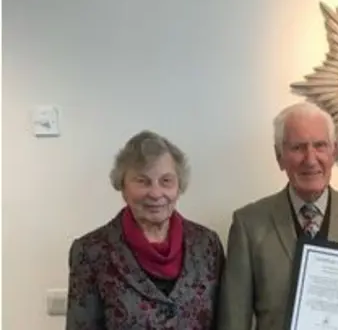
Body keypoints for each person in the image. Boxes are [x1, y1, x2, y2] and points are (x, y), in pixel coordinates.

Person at [218, 102, 338, 330]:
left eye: (320, 146)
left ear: (333, 152)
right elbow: (234, 318)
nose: (310, 158)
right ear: (279, 157)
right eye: (298, 147)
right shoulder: (248, 224)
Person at [65, 130, 226, 330]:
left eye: (166, 181)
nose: (156, 193)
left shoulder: (208, 245)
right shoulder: (91, 252)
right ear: (122, 186)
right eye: (142, 181)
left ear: (179, 186)